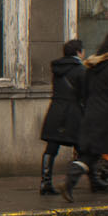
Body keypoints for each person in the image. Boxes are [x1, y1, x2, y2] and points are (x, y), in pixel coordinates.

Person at [63, 32, 108, 202]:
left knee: (91, 154)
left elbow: (84, 92)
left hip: (93, 115)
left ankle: (69, 183)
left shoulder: (93, 67)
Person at [38, 38, 86, 194]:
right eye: (82, 51)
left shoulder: (57, 69)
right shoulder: (80, 70)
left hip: (56, 110)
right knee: (83, 147)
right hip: (72, 113)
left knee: (51, 147)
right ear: (79, 52)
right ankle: (77, 182)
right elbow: (84, 93)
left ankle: (45, 183)